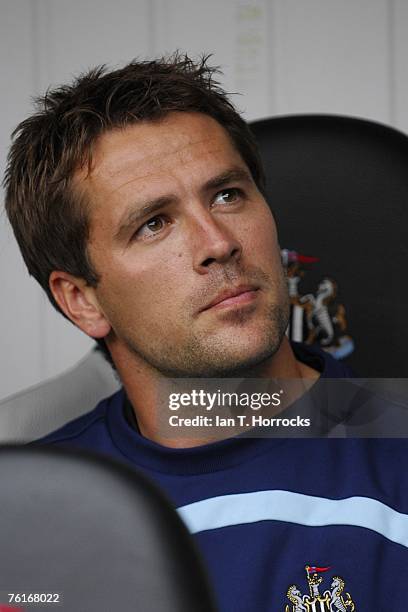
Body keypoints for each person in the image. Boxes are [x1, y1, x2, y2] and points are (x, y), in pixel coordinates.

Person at [4, 54, 408, 610]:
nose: (217, 241)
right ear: (82, 300)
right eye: (153, 224)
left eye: (227, 194)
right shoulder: (30, 520)